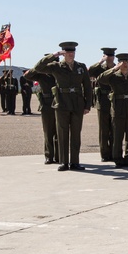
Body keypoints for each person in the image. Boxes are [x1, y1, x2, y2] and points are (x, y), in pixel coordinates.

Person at [33, 41, 93, 171]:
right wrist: (53, 55)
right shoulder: (56, 66)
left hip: (77, 103)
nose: (71, 55)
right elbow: (38, 67)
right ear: (63, 54)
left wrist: (88, 104)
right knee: (62, 132)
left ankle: (75, 162)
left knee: (76, 133)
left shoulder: (81, 67)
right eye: (67, 52)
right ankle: (64, 162)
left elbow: (88, 87)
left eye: (72, 52)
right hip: (62, 103)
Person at [95, 53, 128, 167]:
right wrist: (114, 69)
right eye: (123, 62)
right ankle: (117, 158)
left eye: (127, 62)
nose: (126, 64)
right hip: (118, 109)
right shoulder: (113, 76)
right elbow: (100, 79)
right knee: (118, 136)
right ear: (119, 63)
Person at [23, 68, 58, 164]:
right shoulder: (42, 75)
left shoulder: (59, 73)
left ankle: (59, 156)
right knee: (48, 131)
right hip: (46, 104)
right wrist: (39, 66)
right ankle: (49, 156)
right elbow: (27, 76)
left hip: (59, 103)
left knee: (59, 131)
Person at [89, 47, 117, 162]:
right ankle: (105, 154)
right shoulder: (99, 68)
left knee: (115, 128)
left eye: (111, 56)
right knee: (104, 129)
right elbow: (89, 72)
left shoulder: (117, 67)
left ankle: (114, 153)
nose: (109, 58)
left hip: (114, 100)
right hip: (103, 100)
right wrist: (100, 62)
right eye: (107, 56)